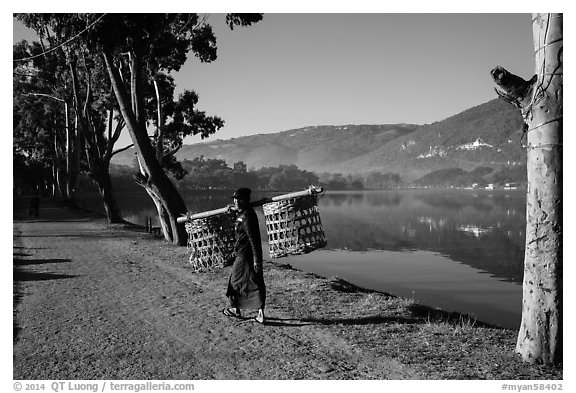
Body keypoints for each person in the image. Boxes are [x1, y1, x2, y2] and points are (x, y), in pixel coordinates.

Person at [223, 188, 266, 324]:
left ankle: (237, 309)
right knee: (254, 280)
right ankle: (259, 313)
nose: (236, 202)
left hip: (245, 255)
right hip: (242, 253)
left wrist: (257, 259)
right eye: (235, 199)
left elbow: (254, 239)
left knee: (235, 282)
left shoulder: (248, 216)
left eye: (239, 199)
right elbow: (238, 231)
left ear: (246, 200)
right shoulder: (242, 214)